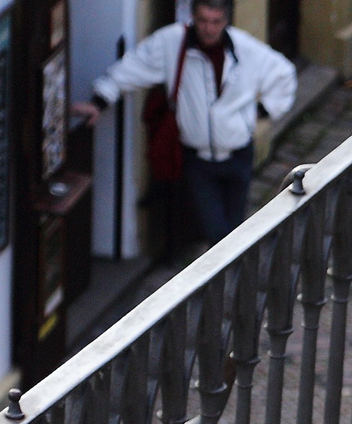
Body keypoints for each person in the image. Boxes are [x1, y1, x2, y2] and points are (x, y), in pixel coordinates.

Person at [73, 0, 296, 246]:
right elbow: (132, 68)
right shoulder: (171, 43)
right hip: (197, 159)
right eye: (202, 20)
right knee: (217, 234)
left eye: (216, 22)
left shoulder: (244, 48)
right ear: (192, 17)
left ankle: (232, 278)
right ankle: (224, 276)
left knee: (234, 230)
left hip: (239, 154)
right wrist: (99, 101)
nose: (209, 28)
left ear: (226, 21)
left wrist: (262, 111)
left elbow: (283, 73)